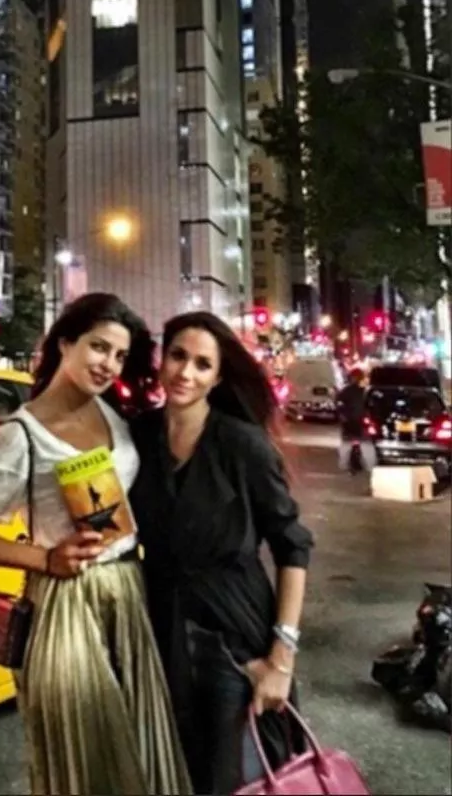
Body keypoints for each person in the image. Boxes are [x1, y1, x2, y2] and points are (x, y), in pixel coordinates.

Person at [0, 293, 192, 796]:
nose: (108, 364)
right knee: (85, 756)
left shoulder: (115, 419)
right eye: (98, 347)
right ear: (65, 342)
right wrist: (46, 558)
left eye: (120, 356)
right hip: (63, 602)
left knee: (142, 745)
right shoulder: (19, 436)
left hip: (126, 592)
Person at [130, 311, 314, 795]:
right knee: (170, 771)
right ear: (161, 357)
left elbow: (293, 545)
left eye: (202, 364)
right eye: (177, 356)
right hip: (161, 623)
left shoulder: (242, 445)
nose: (185, 373)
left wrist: (282, 655)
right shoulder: (138, 436)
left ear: (217, 376)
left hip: (237, 630)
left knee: (233, 777)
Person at [337, 367, 376, 474]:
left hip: (355, 423)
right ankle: (369, 467)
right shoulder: (363, 391)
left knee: (348, 445)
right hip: (354, 423)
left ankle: (344, 465)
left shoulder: (358, 391)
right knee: (365, 445)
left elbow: (339, 405)